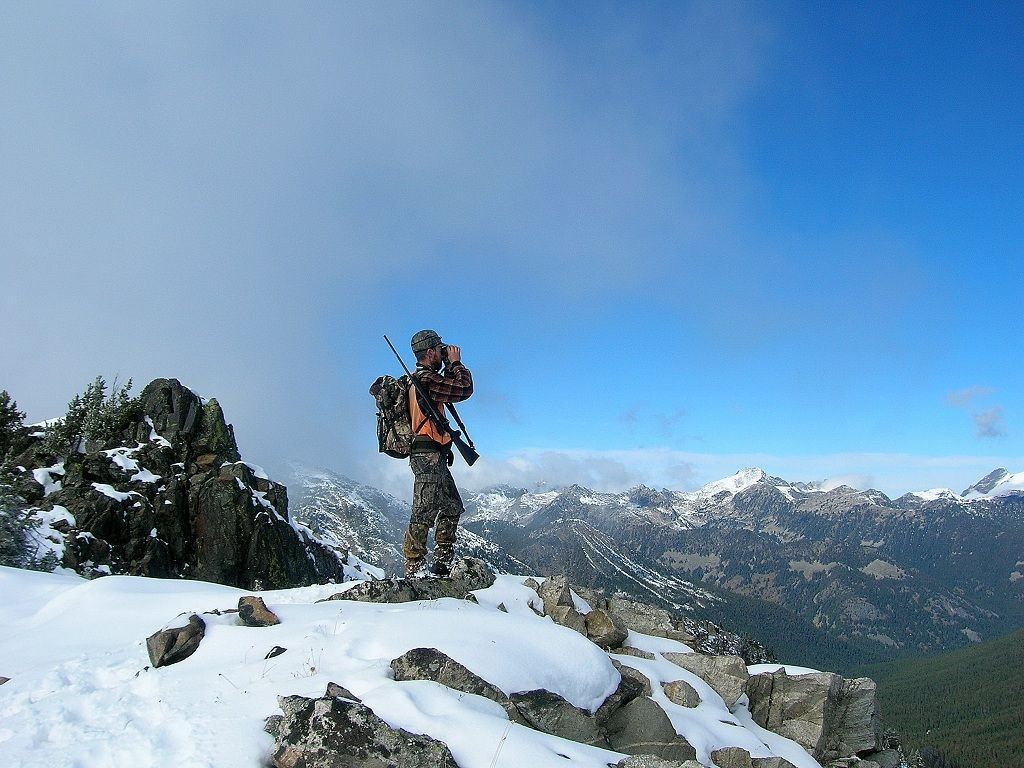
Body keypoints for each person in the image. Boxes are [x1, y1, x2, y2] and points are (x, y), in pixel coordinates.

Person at [404, 329, 474, 577]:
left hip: (435, 453)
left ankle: (442, 561)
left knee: (452, 505)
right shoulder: (426, 380)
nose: (444, 353)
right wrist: (455, 363)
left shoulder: (423, 379)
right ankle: (414, 568)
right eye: (440, 350)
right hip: (427, 454)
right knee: (423, 509)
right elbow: (464, 388)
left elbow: (450, 389)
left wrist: (447, 366)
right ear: (431, 352)